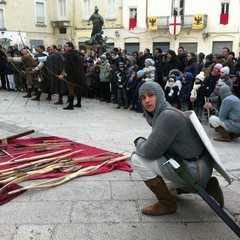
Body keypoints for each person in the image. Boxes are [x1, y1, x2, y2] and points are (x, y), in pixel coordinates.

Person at [131, 81, 224, 216]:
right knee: (169, 189)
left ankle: (167, 204)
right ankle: (208, 186)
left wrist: (139, 141)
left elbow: (149, 152)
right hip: (201, 166)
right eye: (143, 98)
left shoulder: (167, 116)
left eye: (151, 95)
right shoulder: (167, 112)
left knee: (137, 158)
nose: (147, 100)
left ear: (160, 96)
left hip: (195, 170)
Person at [58, 42, 87, 110]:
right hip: (79, 74)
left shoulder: (69, 55)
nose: (65, 48)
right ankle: (79, 103)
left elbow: (66, 66)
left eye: (66, 46)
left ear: (70, 47)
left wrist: (62, 75)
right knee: (78, 89)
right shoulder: (77, 53)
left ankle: (71, 105)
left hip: (72, 75)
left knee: (71, 89)